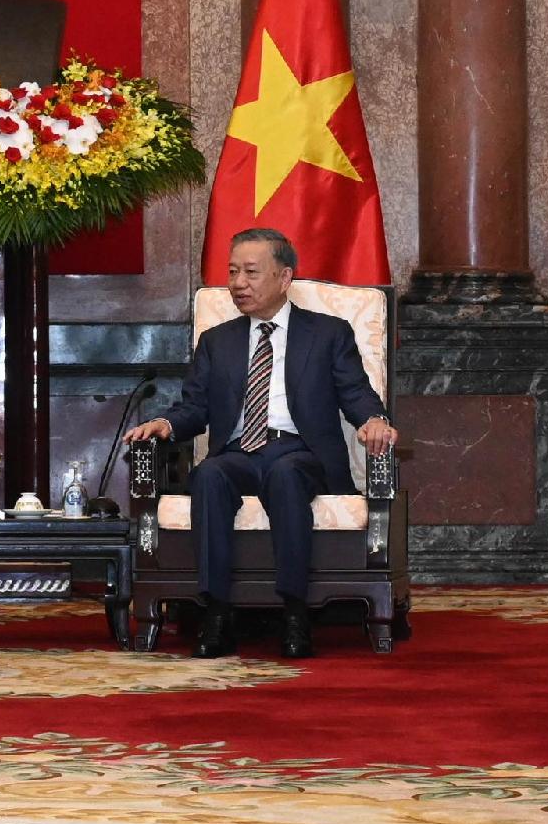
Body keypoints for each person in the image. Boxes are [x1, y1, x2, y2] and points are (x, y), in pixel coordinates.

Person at [121, 225, 400, 660]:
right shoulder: (218, 341)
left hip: (298, 451)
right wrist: (166, 425)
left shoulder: (328, 333)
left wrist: (376, 420)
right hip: (237, 453)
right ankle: (215, 612)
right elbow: (194, 408)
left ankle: (294, 612)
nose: (237, 283)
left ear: (284, 278)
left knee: (287, 475)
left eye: (250, 272)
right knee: (208, 476)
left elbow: (356, 394)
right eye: (232, 272)